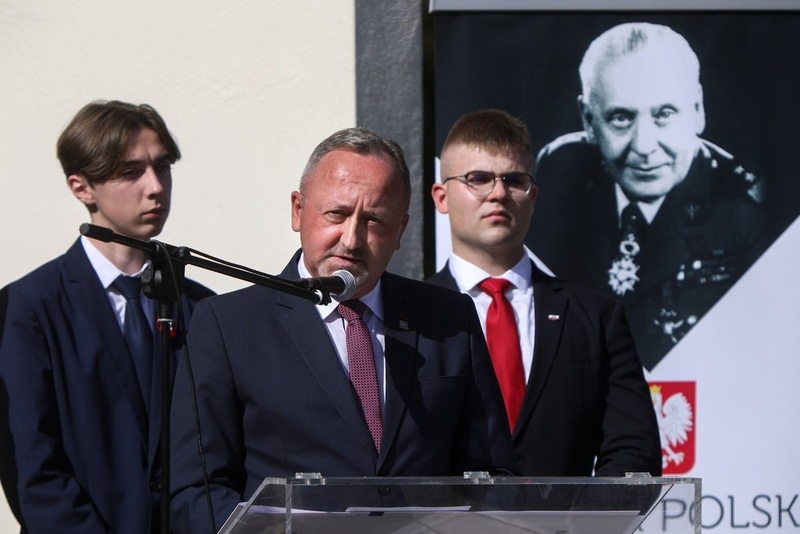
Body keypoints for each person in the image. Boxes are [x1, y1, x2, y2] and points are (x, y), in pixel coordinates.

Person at [168, 127, 518, 533]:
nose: (351, 239)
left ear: (402, 229)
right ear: (298, 210)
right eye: (336, 214)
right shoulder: (228, 324)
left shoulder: (449, 318)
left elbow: (492, 475)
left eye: (374, 221)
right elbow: (198, 492)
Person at [0, 100, 215, 533]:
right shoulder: (28, 307)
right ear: (81, 187)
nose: (155, 186)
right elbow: (34, 471)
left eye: (163, 166)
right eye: (130, 171)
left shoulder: (201, 307)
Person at [429, 109, 661, 477]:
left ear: (532, 196)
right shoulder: (408, 317)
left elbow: (634, 449)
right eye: (478, 179)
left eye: (514, 179)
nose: (499, 193)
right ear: (441, 197)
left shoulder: (597, 319)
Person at [527, 22, 766, 370]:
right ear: (589, 121)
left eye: (664, 114)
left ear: (697, 110)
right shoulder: (559, 176)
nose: (644, 146)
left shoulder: (743, 210)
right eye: (621, 118)